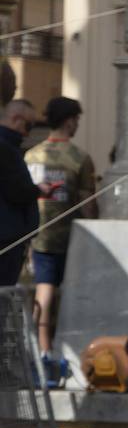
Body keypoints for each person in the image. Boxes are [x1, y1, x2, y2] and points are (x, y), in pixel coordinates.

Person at [24, 96, 97, 385]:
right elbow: (88, 204)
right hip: (71, 239)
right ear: (69, 121)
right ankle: (64, 354)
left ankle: (41, 352)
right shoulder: (79, 158)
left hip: (37, 236)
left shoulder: (31, 155)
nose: (77, 124)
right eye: (77, 120)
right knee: (67, 298)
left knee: (44, 296)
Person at [0, 99, 40, 288]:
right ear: (16, 119)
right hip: (7, 238)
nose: (28, 132)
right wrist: (40, 190)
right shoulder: (6, 148)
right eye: (29, 125)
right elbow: (17, 191)